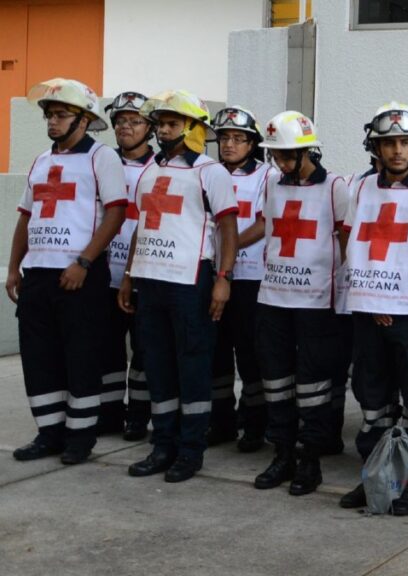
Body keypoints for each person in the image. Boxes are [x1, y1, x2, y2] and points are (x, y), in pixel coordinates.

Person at [119, 90, 238, 483]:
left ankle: (190, 451)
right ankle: (162, 445)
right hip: (150, 280)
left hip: (191, 281)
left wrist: (223, 279)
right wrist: (129, 274)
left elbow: (227, 226)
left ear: (193, 128)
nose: (163, 129)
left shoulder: (210, 171)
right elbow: (141, 225)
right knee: (157, 366)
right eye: (161, 122)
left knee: (192, 366)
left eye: (172, 123)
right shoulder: (151, 169)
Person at [338, 102, 408, 516]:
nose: (397, 151)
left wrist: (391, 295)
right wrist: (371, 293)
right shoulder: (363, 187)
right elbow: (349, 241)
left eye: (405, 142)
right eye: (389, 144)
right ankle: (374, 479)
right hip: (368, 309)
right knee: (371, 400)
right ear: (376, 148)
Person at [8, 78, 127, 464]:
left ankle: (80, 438)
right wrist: (14, 269)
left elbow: (116, 212)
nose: (53, 121)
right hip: (38, 275)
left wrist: (84, 261)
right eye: (49, 114)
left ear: (83, 120)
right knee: (40, 357)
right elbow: (26, 217)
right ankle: (49, 434)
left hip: (79, 274)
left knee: (81, 356)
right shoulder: (42, 161)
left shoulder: (101, 158)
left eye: (61, 114)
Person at [251, 111, 344, 495]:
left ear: (309, 151)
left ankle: (310, 458)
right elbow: (268, 229)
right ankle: (283, 453)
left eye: (288, 156)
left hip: (316, 301)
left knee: (313, 383)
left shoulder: (335, 187)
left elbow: (348, 238)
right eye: (275, 156)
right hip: (273, 296)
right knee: (275, 379)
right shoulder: (273, 184)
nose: (281, 163)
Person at [209, 105, 272, 452]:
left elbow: (264, 223)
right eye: (224, 138)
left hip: (250, 278)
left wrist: (228, 250)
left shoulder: (266, 176)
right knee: (216, 353)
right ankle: (220, 421)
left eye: (238, 138)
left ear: (252, 144)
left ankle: (254, 424)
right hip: (215, 275)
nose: (230, 145)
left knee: (250, 355)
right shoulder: (207, 173)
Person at [100, 91, 154, 441]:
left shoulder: (162, 167)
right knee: (105, 348)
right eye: (120, 121)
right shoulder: (100, 161)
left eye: (134, 121)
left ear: (149, 128)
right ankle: (107, 415)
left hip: (144, 274)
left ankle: (138, 416)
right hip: (102, 273)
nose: (125, 127)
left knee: (146, 351)